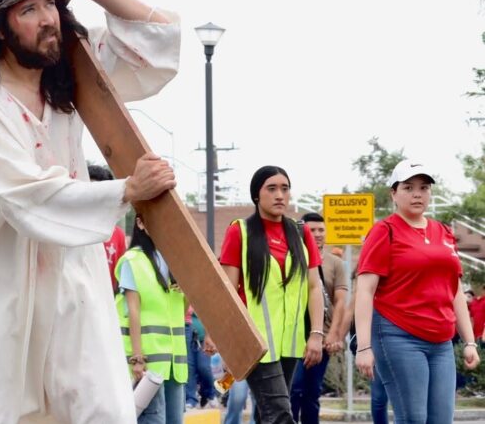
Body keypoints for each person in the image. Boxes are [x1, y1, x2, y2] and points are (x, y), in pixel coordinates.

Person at [0, 0, 181, 423]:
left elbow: (159, 41)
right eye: (29, 10)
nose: (47, 19)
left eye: (50, 4)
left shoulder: (68, 82)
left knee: (103, 410)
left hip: (70, 278)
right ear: (0, 30)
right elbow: (27, 197)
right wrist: (127, 190)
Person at [354, 159, 479, 424]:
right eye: (408, 187)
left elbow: (454, 290)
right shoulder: (383, 231)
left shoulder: (443, 232)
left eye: (424, 187)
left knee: (441, 419)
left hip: (442, 340)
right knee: (413, 418)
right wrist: (364, 346)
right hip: (398, 335)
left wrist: (469, 341)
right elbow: (365, 290)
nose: (417, 194)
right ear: (394, 193)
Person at [205, 166, 324, 424]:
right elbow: (228, 291)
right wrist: (226, 343)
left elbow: (314, 287)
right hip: (255, 343)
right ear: (257, 195)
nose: (280, 195)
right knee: (281, 413)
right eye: (272, 188)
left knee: (266, 413)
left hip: (291, 342)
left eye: (285, 188)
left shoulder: (301, 233)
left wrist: (315, 333)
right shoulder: (241, 232)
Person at [116, 215, 188, 424]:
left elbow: (180, 311)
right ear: (140, 223)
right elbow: (133, 311)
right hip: (148, 364)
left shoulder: (176, 261)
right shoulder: (133, 260)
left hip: (175, 363)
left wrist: (188, 292)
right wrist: (137, 358)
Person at [290, 212, 349, 424]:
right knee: (293, 389)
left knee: (312, 393)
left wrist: (334, 334)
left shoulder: (335, 263)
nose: (317, 234)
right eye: (311, 230)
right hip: (294, 335)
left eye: (320, 230)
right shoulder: (292, 258)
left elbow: (341, 300)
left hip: (322, 337)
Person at [88, 163, 129, 290]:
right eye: (89, 192)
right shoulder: (70, 230)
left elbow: (118, 278)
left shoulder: (117, 235)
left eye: (100, 194)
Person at [183, 308, 215, 408]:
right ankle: (191, 398)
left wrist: (209, 336)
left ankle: (209, 393)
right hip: (187, 331)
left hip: (203, 336)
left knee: (204, 367)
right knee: (189, 367)